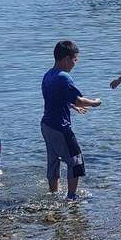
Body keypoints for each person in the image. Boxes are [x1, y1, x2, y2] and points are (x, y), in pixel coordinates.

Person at [42, 41, 101, 200]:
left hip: (46, 125)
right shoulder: (64, 77)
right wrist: (94, 103)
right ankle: (71, 197)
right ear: (67, 59)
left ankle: (53, 195)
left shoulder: (48, 75)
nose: (75, 63)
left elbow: (57, 98)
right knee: (75, 160)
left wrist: (72, 107)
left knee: (53, 161)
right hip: (60, 127)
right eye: (75, 60)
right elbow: (78, 100)